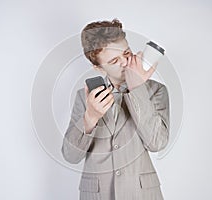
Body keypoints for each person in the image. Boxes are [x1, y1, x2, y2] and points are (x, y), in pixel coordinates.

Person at [61, 19, 170, 200]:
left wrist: (137, 89)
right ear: (98, 68)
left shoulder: (156, 91)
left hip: (141, 194)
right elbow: (70, 156)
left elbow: (157, 143)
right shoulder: (84, 97)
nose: (126, 62)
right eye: (114, 60)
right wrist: (90, 118)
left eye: (127, 53)